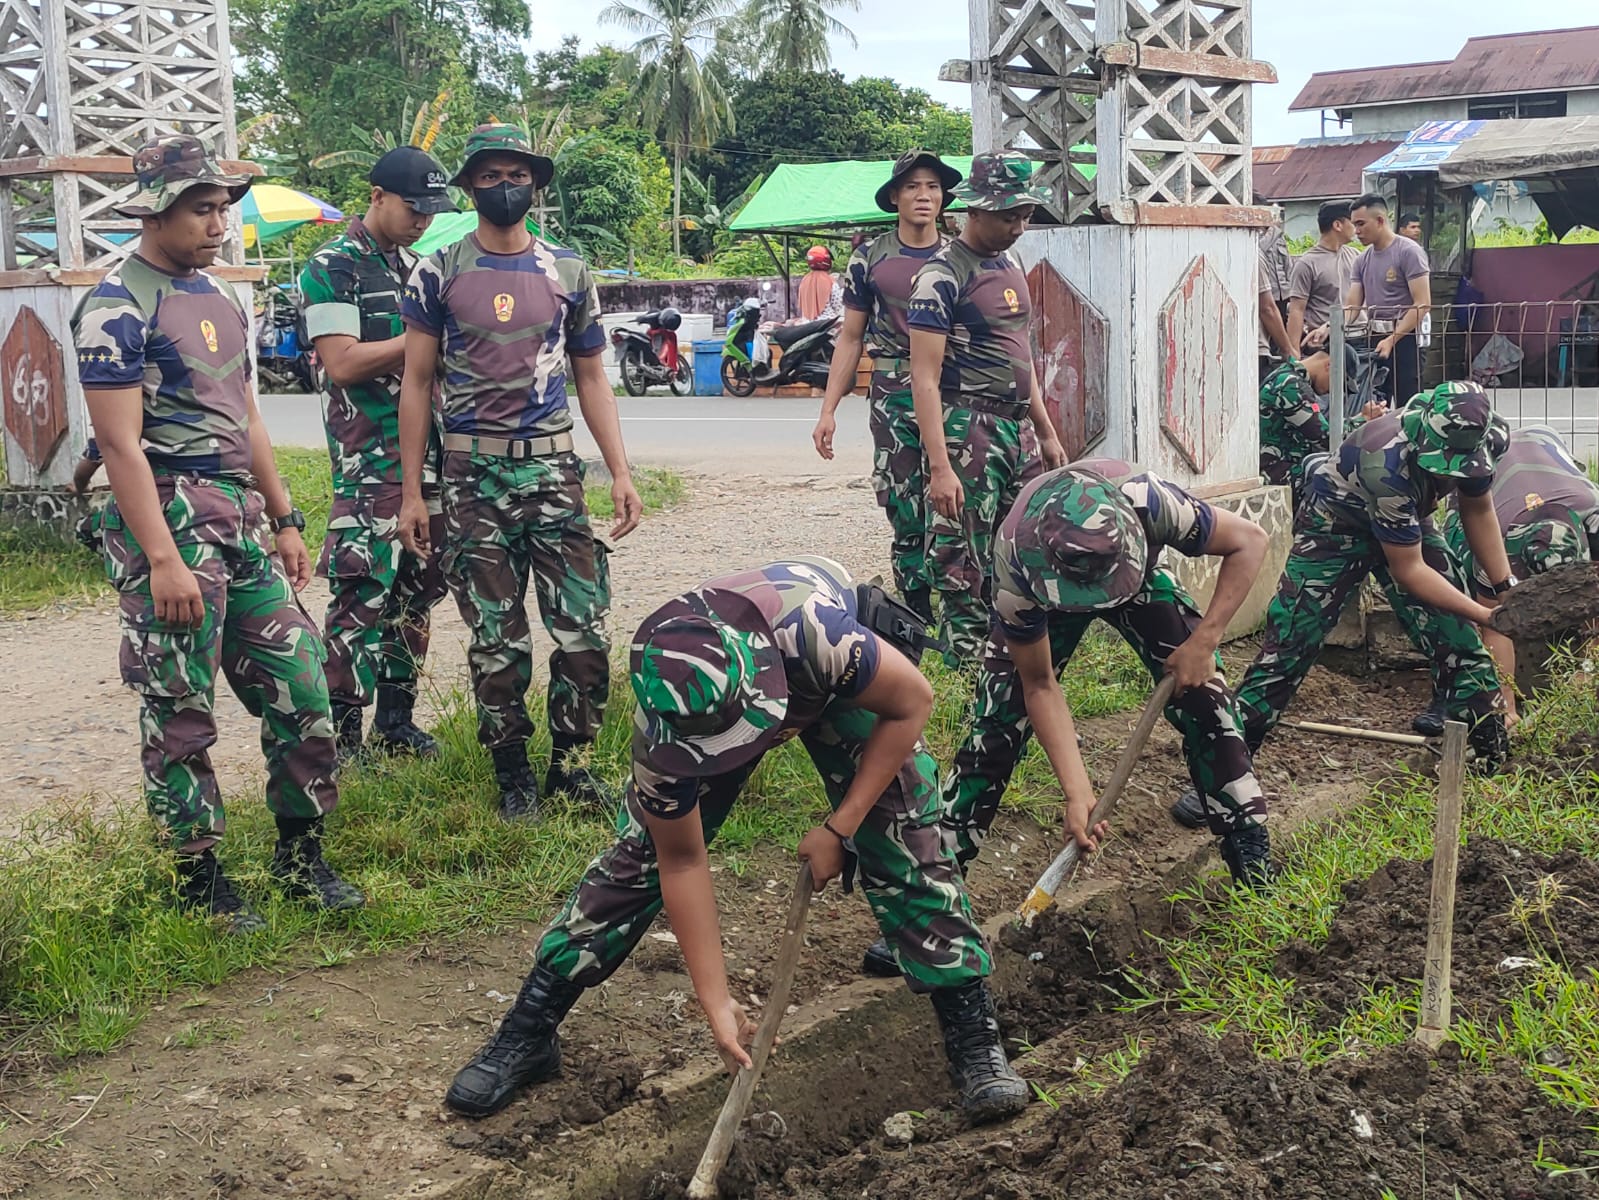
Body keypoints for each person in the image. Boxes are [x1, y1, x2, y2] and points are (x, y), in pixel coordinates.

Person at [444, 558, 1031, 1124]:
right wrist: (716, 1003)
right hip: (718, 713)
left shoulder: (817, 637)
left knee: (905, 837)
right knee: (637, 861)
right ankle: (527, 1031)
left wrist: (841, 826)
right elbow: (680, 860)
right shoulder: (666, 725)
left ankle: (974, 1042)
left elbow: (912, 704)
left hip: (825, 688)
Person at [72, 134, 363, 931]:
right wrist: (162, 559)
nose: (218, 225)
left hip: (236, 514)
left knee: (305, 684)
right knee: (179, 703)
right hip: (167, 518)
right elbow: (121, 445)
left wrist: (285, 516)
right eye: (201, 210)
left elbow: (251, 416)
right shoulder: (115, 305)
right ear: (157, 212)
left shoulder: (222, 299)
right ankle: (197, 879)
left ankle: (301, 857)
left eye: (221, 209)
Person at [397, 124, 642, 820]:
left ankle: (573, 766)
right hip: (472, 478)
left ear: (536, 184)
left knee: (583, 632)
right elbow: (417, 384)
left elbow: (592, 377)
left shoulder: (567, 270)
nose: (505, 186)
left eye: (518, 174)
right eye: (490, 174)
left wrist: (620, 472)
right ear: (470, 185)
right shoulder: (438, 269)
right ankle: (512, 776)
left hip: (554, 474)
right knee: (496, 641)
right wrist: (415, 492)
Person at [1170, 383, 1517, 825]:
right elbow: (1408, 571)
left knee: (1456, 635)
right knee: (1289, 648)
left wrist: (1504, 586)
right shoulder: (1385, 460)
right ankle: (1221, 779)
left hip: (1407, 524)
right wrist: (1487, 613)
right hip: (1335, 527)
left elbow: (1478, 508)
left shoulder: (1483, 439)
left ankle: (1490, 757)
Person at [937, 462, 1277, 903]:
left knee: (1208, 700)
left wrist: (1203, 642)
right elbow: (1038, 684)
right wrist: (1078, 793)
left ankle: (1252, 862)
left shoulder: (1150, 501)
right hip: (1046, 590)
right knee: (995, 726)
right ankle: (933, 893)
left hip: (1135, 577)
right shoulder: (1017, 561)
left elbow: (1250, 541)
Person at [299, 146, 455, 766]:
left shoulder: (420, 267)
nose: (422, 221)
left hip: (428, 457)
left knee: (419, 587)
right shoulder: (331, 267)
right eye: (413, 208)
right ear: (377, 196)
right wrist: (419, 339)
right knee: (361, 595)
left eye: (430, 212)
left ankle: (397, 721)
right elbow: (341, 361)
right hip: (371, 462)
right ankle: (344, 736)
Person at [908, 151, 1067, 666]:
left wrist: (1043, 430)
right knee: (962, 552)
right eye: (1008, 216)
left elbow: (1022, 355)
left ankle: (1013, 651)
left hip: (1017, 428)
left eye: (1025, 215)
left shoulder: (1012, 263)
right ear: (974, 211)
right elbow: (924, 378)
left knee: (1019, 541)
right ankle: (967, 664)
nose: (1019, 226)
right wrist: (939, 466)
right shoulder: (942, 275)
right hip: (966, 426)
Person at [812, 149, 962, 622]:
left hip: (955, 390)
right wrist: (828, 410)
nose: (924, 196)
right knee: (903, 502)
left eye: (933, 186)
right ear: (894, 196)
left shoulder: (960, 254)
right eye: (914, 186)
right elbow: (851, 337)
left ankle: (964, 614)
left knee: (958, 501)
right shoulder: (870, 258)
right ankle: (916, 616)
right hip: (895, 392)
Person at [1407, 424, 1599, 732]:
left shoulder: (1594, 515)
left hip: (1541, 440)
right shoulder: (1495, 544)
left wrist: (1588, 671)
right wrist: (1506, 707)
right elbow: (1494, 623)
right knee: (1458, 579)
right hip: (1484, 486)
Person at [1346, 194, 1430, 406]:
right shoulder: (1362, 259)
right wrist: (1328, 327)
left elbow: (1423, 303)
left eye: (1361, 224)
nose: (1357, 231)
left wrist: (1393, 339)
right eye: (1354, 225)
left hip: (1406, 338)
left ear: (1381, 221)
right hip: (1374, 338)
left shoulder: (1409, 252)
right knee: (1374, 408)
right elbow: (1352, 307)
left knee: (1409, 407)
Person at [1287, 201, 1361, 354]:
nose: (1356, 228)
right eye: (1353, 222)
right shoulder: (1307, 263)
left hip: (1360, 337)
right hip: (1324, 342)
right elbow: (1296, 310)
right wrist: (1294, 353)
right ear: (1338, 225)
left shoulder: (1356, 256)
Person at [1258, 217, 1297, 381]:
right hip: (1268, 299)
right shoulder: (1254, 246)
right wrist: (1288, 350)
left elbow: (1288, 266)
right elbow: (1266, 308)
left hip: (1281, 297)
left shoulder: (1279, 237)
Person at [796, 245, 844, 323]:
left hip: (806, 324)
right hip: (827, 324)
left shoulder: (804, 280)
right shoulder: (830, 281)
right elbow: (837, 305)